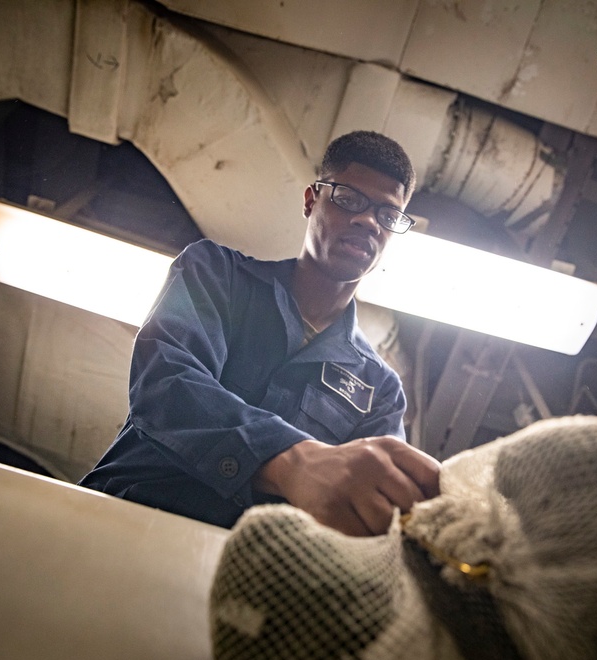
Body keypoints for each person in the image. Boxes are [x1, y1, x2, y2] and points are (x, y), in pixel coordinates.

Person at [80, 131, 440, 536]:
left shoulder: (380, 391)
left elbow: (374, 517)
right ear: (310, 200)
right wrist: (293, 462)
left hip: (241, 581)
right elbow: (165, 385)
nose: (368, 220)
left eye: (388, 215)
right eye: (349, 199)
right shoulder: (215, 274)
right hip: (113, 524)